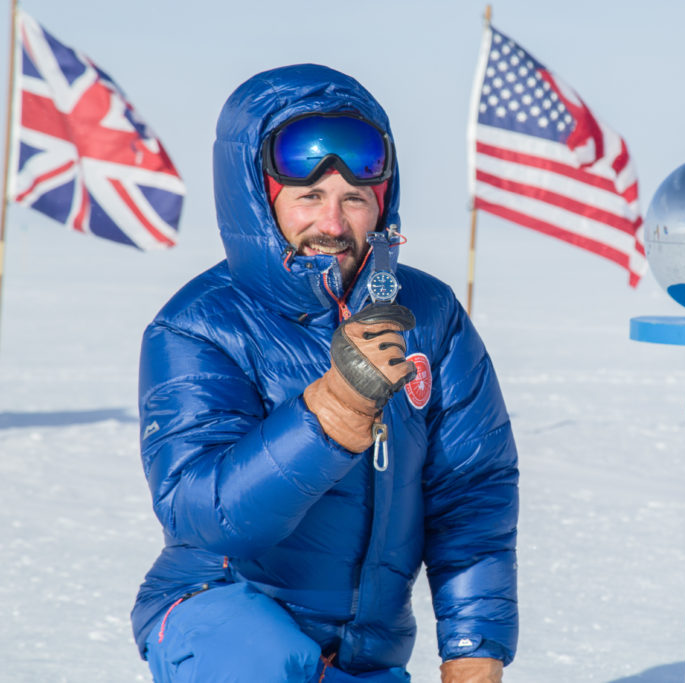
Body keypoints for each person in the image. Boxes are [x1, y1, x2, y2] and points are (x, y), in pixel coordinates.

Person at [130, 64, 519, 683]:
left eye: (354, 200)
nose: (333, 225)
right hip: (224, 616)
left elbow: (472, 495)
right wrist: (333, 412)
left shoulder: (432, 315)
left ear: (382, 203)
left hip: (366, 652)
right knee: (259, 657)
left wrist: (474, 652)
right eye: (310, 197)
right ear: (260, 198)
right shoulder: (199, 325)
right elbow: (201, 509)